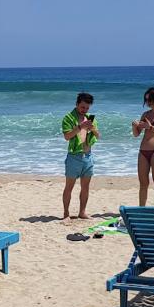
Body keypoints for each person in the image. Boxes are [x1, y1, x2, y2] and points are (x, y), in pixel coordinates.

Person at [61, 91, 99, 219]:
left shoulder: (90, 118)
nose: (85, 110)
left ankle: (82, 212)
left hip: (88, 156)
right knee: (69, 187)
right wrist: (80, 127)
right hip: (74, 157)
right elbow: (67, 136)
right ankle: (66, 213)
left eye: (87, 108)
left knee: (85, 187)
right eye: (82, 107)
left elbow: (98, 136)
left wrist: (92, 129)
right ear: (77, 104)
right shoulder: (68, 118)